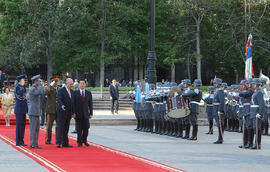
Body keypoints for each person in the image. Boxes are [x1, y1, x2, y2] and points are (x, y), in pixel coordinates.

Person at [73, 79, 93, 147]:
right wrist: (73, 113)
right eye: (81, 84)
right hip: (78, 114)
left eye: (83, 84)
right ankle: (79, 142)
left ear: (85, 85)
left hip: (86, 114)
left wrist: (91, 113)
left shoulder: (88, 93)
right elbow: (73, 104)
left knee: (86, 128)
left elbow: (90, 104)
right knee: (79, 129)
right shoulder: (75, 93)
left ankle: (85, 140)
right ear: (79, 85)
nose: (82, 85)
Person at [56, 78, 74, 148]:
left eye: (72, 84)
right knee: (60, 127)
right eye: (71, 84)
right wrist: (62, 105)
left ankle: (65, 143)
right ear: (67, 83)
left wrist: (73, 112)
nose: (72, 85)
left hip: (68, 113)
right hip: (62, 112)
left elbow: (73, 103)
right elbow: (59, 99)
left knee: (66, 128)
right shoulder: (61, 90)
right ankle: (58, 142)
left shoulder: (72, 92)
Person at [28, 75, 44, 149]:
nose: (39, 82)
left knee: (36, 129)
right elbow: (39, 92)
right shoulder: (32, 89)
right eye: (38, 81)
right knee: (33, 129)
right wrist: (40, 85)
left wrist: (40, 85)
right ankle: (33, 144)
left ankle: (35, 143)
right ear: (35, 81)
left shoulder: (35, 88)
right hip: (33, 111)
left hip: (36, 111)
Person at [249, 78, 265, 149]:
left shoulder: (259, 92)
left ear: (256, 85)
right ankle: (255, 143)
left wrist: (260, 113)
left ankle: (257, 144)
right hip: (253, 112)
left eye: (253, 84)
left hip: (256, 113)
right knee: (254, 128)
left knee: (257, 128)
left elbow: (261, 104)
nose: (251, 85)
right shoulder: (255, 92)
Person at [44, 77, 59, 145]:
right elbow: (45, 93)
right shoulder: (50, 88)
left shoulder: (58, 89)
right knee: (49, 126)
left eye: (57, 82)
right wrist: (50, 86)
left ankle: (58, 139)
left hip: (57, 109)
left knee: (58, 125)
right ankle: (48, 140)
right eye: (55, 82)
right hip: (50, 110)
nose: (56, 83)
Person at [14, 74, 28, 146]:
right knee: (19, 126)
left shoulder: (23, 87)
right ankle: (18, 141)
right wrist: (22, 86)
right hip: (19, 109)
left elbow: (25, 98)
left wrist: (27, 109)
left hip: (23, 109)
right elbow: (20, 94)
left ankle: (21, 141)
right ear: (20, 80)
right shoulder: (17, 87)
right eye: (23, 79)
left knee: (23, 126)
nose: (24, 81)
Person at [212, 78, 225, 144]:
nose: (214, 84)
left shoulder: (220, 91)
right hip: (215, 108)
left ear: (218, 84)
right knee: (218, 124)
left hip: (218, 109)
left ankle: (220, 138)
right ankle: (220, 138)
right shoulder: (217, 90)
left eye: (215, 83)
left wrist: (220, 110)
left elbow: (222, 101)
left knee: (220, 124)